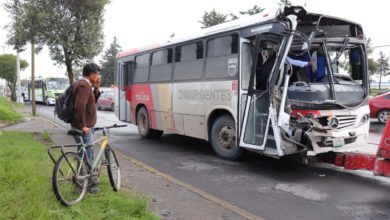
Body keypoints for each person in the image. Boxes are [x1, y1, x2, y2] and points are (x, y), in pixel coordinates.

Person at [71, 63, 101, 193]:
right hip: (84, 127)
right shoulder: (83, 86)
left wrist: (96, 88)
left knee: (83, 154)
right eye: (97, 73)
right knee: (86, 155)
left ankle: (82, 182)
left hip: (85, 126)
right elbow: (79, 106)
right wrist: (83, 125)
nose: (99, 76)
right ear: (91, 74)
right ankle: (86, 186)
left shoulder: (85, 85)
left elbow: (91, 102)